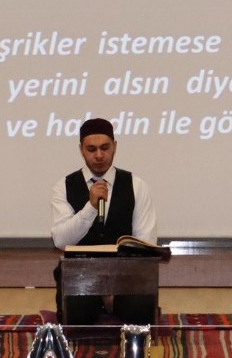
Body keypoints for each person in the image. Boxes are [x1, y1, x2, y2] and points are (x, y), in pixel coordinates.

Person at [50, 117, 157, 324]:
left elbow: (145, 243)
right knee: (77, 315)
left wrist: (116, 284)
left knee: (140, 312)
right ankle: (99, 305)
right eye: (91, 149)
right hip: (80, 276)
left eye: (105, 148)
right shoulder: (63, 186)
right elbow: (61, 241)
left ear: (115, 147)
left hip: (126, 276)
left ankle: (114, 304)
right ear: (81, 150)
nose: (99, 155)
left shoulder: (137, 185)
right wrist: (90, 207)